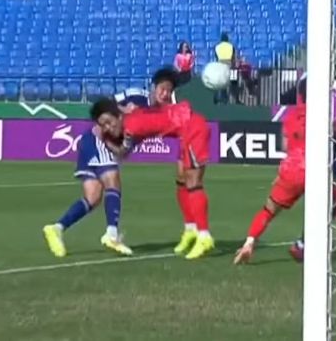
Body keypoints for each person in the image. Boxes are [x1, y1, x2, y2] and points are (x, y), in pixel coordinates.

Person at [233, 78, 336, 265]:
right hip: (316, 170)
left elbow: (285, 145)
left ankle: (249, 243)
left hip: (292, 169)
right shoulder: (324, 114)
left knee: (269, 210)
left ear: (300, 95)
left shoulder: (291, 116)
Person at [120, 67, 215, 260]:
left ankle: (204, 235)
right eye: (162, 89)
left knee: (193, 182)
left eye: (168, 91)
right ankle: (190, 229)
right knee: (181, 179)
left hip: (195, 130)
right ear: (153, 88)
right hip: (185, 132)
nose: (165, 94)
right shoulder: (141, 111)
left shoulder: (132, 122)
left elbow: (124, 149)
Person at [43, 98, 133, 258]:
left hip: (87, 144)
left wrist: (124, 145)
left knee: (93, 197)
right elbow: (112, 147)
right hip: (94, 142)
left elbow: (122, 153)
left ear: (118, 117)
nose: (107, 127)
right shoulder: (106, 132)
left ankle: (56, 228)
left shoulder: (130, 125)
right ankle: (112, 235)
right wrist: (118, 145)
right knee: (112, 179)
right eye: (103, 124)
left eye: (109, 123)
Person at [213, 33, 234, 104]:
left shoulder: (217, 47)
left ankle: (217, 97)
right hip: (228, 65)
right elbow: (233, 58)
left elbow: (216, 57)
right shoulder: (231, 46)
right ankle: (225, 98)